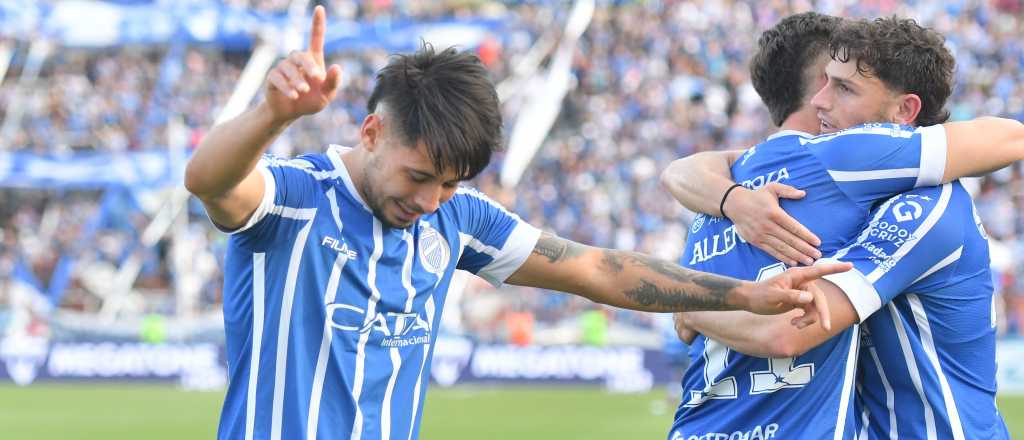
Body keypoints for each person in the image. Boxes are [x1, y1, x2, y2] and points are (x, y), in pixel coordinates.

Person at [182, 7, 849, 440]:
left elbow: (595, 269)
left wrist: (745, 294)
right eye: (419, 177)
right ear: (371, 132)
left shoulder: (459, 220)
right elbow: (210, 181)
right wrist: (271, 116)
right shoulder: (296, 199)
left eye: (450, 184)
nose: (432, 201)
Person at [659, 14, 1020, 439]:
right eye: (825, 81)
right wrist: (730, 195)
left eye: (844, 88)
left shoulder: (928, 206)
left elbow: (787, 333)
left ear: (905, 111)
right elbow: (710, 165)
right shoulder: (851, 182)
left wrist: (691, 303)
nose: (820, 101)